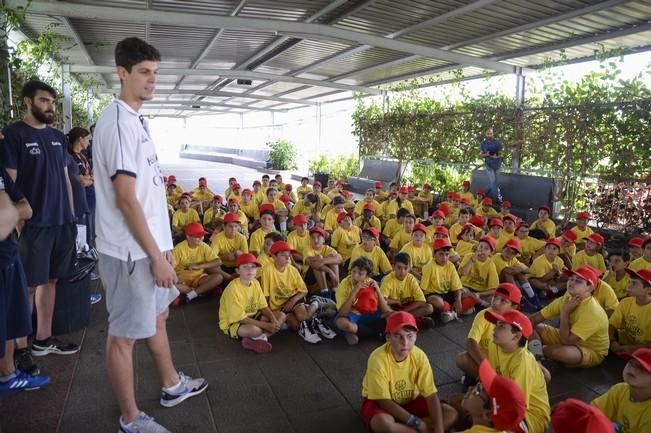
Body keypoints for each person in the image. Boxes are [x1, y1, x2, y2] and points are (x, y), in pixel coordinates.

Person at [93, 37, 207, 433]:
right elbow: (126, 200)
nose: (152, 80)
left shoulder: (136, 121)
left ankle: (172, 385)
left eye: (155, 73)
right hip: (130, 253)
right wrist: (156, 256)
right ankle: (130, 419)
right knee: (124, 337)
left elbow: (146, 193)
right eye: (143, 72)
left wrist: (165, 247)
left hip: (149, 248)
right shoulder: (120, 123)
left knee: (159, 317)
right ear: (121, 73)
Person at [0, 80, 79, 373]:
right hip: (33, 226)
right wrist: (18, 223)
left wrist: (71, 217)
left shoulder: (58, 137)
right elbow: (7, 186)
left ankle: (43, 339)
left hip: (61, 223)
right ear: (27, 102)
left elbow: (64, 179)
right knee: (27, 287)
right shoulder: (13, 135)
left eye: (53, 102)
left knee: (51, 281)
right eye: (44, 101)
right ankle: (21, 347)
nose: (50, 107)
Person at [360, 311, 458, 433]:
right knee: (382, 423)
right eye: (398, 336)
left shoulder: (419, 356)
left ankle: (408, 429)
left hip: (411, 400)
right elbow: (383, 401)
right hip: (382, 402)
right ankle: (418, 428)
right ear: (388, 337)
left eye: (409, 336)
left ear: (416, 336)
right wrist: (416, 422)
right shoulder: (377, 358)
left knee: (451, 413)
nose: (405, 343)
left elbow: (430, 394)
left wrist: (439, 428)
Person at [0, 167, 50, 392]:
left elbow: (26, 209)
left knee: (10, 320)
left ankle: (8, 375)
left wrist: (9, 211)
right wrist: (9, 210)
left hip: (9, 256)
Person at [529, 266, 609, 368]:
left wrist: (565, 312)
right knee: (532, 327)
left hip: (590, 349)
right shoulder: (565, 299)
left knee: (559, 352)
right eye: (571, 279)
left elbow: (566, 341)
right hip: (567, 336)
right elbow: (535, 318)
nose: (571, 283)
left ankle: (541, 352)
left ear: (589, 287)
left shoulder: (593, 311)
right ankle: (539, 356)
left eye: (578, 281)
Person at [485, 310, 551, 433]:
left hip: (530, 417)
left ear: (516, 336)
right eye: (496, 325)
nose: (494, 330)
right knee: (460, 402)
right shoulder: (494, 345)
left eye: (501, 327)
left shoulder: (522, 362)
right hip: (503, 402)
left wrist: (487, 410)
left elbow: (517, 406)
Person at [261, 241, 335, 344]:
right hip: (279, 306)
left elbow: (303, 290)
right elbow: (266, 295)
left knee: (302, 316)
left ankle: (316, 303)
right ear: (273, 256)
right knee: (295, 326)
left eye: (289, 255)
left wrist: (293, 300)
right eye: (283, 255)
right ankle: (313, 320)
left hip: (295, 297)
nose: (287, 258)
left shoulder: (292, 270)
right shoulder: (267, 270)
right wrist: (271, 313)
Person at [218, 253, 285, 353]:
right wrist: (266, 326)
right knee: (255, 330)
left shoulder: (255, 283)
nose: (250, 270)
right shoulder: (232, 289)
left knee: (281, 316)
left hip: (253, 315)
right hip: (234, 322)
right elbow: (241, 318)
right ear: (237, 270)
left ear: (256, 270)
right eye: (245, 267)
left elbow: (263, 306)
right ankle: (258, 335)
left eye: (253, 267)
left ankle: (262, 338)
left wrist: (272, 318)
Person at [455, 283, 521, 383]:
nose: (495, 302)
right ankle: (487, 382)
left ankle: (483, 381)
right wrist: (485, 368)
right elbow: (471, 342)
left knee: (544, 375)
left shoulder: (519, 322)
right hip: (486, 359)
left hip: (507, 362)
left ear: (514, 307)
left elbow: (519, 354)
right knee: (462, 359)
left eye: (503, 301)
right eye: (495, 297)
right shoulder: (483, 315)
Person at [592, 348, 651, 432]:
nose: (632, 368)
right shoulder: (620, 390)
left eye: (642, 368)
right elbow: (593, 411)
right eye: (631, 362)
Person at [335, 257, 392, 345]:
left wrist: (377, 289)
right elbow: (342, 313)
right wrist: (355, 290)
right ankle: (377, 333)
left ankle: (356, 332)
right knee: (341, 323)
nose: (355, 276)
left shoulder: (370, 282)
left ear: (367, 275)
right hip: (352, 315)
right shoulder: (344, 284)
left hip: (369, 314)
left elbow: (385, 310)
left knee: (392, 315)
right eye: (354, 271)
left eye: (360, 274)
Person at [171, 222, 223, 302]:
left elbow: (218, 261)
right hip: (182, 280)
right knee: (171, 284)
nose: (201, 238)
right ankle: (201, 292)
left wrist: (198, 266)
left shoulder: (203, 246)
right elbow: (170, 267)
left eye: (202, 235)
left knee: (219, 278)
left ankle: (191, 295)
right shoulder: (179, 249)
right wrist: (176, 278)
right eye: (197, 236)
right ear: (188, 237)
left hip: (199, 278)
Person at [380, 253, 434, 327]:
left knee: (429, 308)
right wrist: (396, 301)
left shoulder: (411, 279)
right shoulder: (388, 280)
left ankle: (402, 320)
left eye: (406, 268)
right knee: (385, 312)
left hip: (407, 308)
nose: (402, 271)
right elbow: (382, 300)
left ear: (409, 268)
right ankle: (413, 321)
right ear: (393, 267)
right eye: (399, 268)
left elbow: (421, 300)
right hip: (394, 307)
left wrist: (404, 311)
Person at [609, 268, 651, 354]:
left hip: (644, 352)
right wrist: (613, 341)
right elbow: (611, 325)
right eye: (629, 282)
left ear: (648, 290)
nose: (629, 286)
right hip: (622, 346)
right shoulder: (625, 302)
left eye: (634, 283)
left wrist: (632, 349)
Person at [66, 126, 96, 245]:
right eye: (87, 139)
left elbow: (87, 176)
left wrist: (89, 179)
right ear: (80, 139)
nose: (89, 142)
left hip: (90, 198)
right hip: (80, 199)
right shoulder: (70, 157)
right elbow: (80, 181)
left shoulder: (83, 155)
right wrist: (92, 179)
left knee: (90, 230)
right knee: (82, 233)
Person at [479, 127, 501, 201]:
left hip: (497, 165)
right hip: (488, 165)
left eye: (490, 133)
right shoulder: (483, 143)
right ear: (485, 134)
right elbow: (481, 156)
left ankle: (481, 194)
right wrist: (486, 154)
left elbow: (501, 154)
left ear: (493, 133)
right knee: (493, 182)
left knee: (494, 183)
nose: (489, 135)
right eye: (488, 134)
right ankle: (497, 200)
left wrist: (496, 156)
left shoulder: (497, 143)